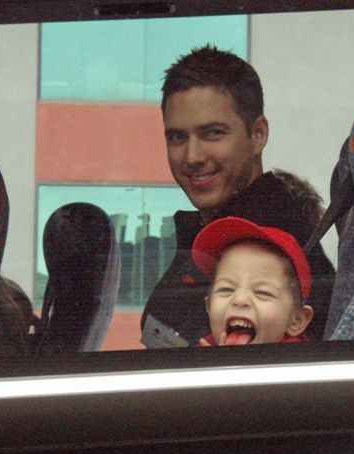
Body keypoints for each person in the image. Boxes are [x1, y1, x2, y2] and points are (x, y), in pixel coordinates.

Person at [140, 45, 335, 345]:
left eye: (213, 133)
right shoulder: (207, 231)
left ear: (257, 135)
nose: (192, 156)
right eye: (177, 137)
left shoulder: (281, 243)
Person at [193, 217, 314, 346]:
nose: (240, 300)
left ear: (296, 320)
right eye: (226, 289)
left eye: (262, 292)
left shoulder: (301, 358)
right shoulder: (196, 354)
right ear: (208, 306)